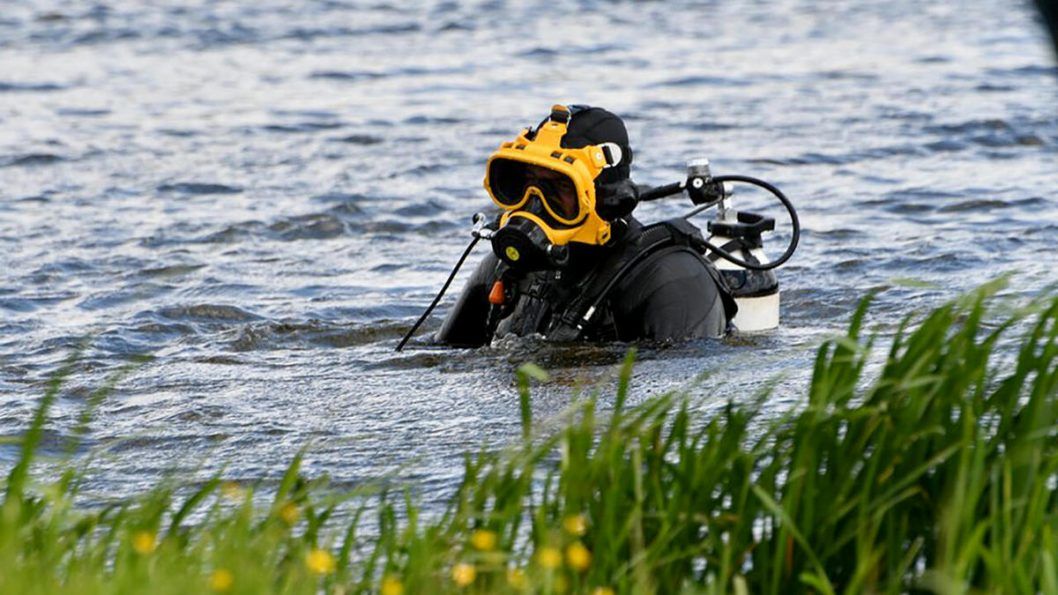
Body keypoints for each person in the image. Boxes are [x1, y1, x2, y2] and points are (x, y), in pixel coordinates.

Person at [435, 104, 738, 347]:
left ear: (607, 198)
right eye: (527, 183)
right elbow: (444, 356)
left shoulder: (673, 280)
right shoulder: (507, 267)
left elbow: (683, 393)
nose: (535, 204)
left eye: (559, 187)